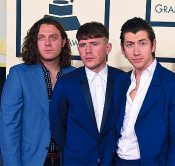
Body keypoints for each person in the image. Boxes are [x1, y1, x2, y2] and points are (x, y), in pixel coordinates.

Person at [102, 17, 175, 166]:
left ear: (153, 45)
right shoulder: (121, 82)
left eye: (142, 43)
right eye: (130, 45)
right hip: (118, 161)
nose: (136, 52)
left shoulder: (174, 83)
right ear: (123, 49)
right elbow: (113, 129)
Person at [0, 17, 75, 166]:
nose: (47, 43)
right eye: (41, 38)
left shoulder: (75, 75)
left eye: (53, 37)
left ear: (63, 42)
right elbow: (8, 127)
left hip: (67, 160)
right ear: (35, 42)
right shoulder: (19, 74)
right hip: (31, 160)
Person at [49, 21, 124, 166]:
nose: (88, 51)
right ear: (78, 48)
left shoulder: (122, 80)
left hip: (113, 159)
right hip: (76, 160)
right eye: (83, 45)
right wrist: (76, 150)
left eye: (94, 44)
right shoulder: (66, 83)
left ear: (108, 48)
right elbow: (57, 124)